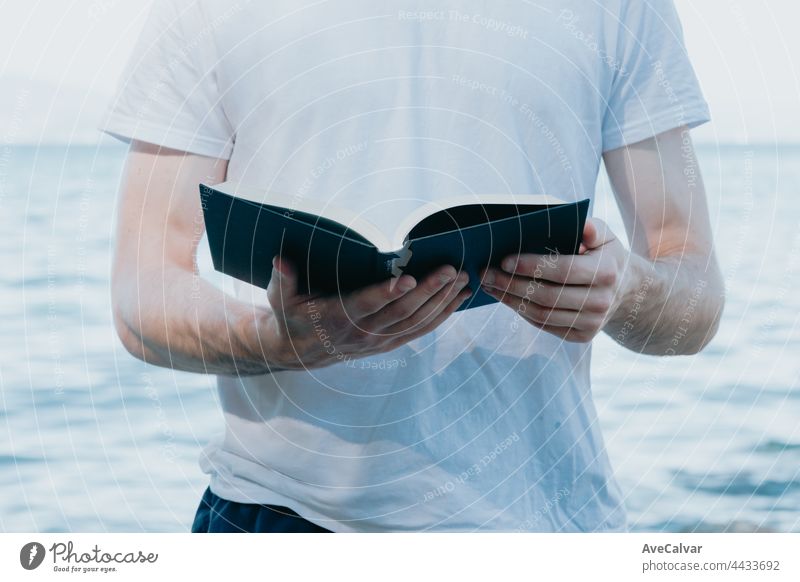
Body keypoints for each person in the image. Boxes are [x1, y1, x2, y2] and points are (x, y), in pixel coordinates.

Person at [102, 0, 724, 532]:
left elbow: (694, 295)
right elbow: (143, 294)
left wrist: (623, 292)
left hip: (548, 523)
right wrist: (278, 341)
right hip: (279, 514)